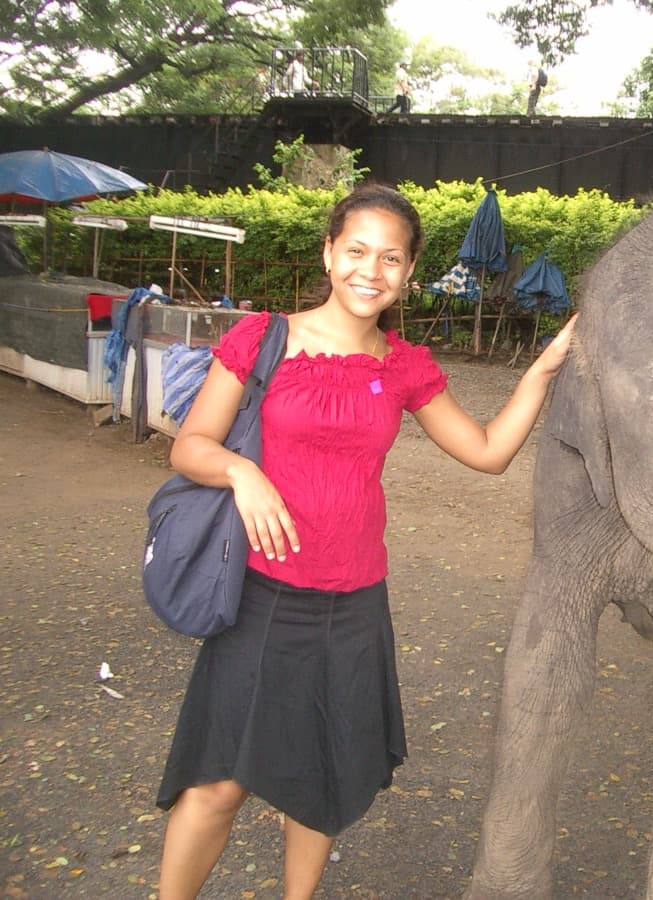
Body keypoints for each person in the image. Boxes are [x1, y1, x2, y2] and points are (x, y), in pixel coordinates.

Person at [155, 182, 577, 900]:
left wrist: (540, 370)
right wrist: (240, 471)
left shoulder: (404, 365)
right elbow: (189, 445)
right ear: (328, 253)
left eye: (390, 258)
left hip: (350, 606)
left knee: (318, 781)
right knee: (218, 781)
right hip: (258, 593)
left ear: (409, 273)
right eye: (356, 251)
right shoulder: (261, 337)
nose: (369, 271)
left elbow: (486, 451)